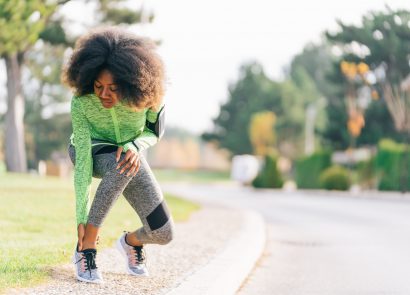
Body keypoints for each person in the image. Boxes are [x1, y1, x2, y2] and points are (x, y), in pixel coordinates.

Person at [62, 27, 174, 284]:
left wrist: (136, 146)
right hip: (88, 149)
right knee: (121, 162)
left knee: (164, 233)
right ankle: (86, 248)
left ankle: (130, 242)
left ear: (130, 83)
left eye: (113, 88)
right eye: (98, 86)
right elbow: (82, 166)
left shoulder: (149, 96)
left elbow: (153, 132)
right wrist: (82, 220)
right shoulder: (82, 101)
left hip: (129, 153)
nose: (104, 95)